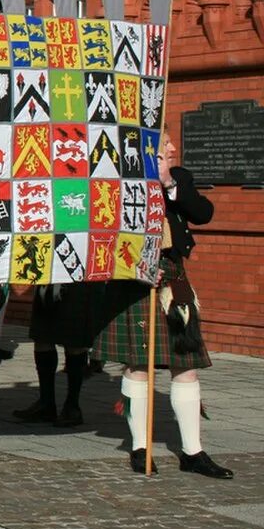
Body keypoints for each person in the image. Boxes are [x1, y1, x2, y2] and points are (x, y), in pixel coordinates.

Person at [95, 135, 232, 478]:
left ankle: (193, 452)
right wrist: (137, 264)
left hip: (173, 282)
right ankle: (140, 448)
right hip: (133, 280)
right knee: (139, 365)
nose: (172, 150)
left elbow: (203, 213)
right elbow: (101, 228)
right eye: (166, 144)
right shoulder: (119, 177)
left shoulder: (180, 178)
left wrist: (169, 183)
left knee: (186, 365)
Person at [13, 282, 101, 428]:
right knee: (42, 338)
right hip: (48, 277)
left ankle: (72, 407)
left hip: (79, 279)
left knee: (75, 341)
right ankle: (45, 403)